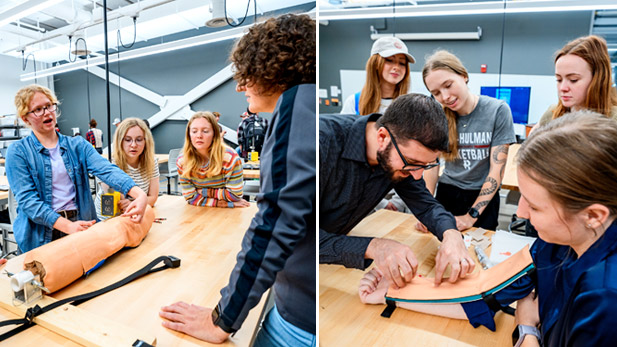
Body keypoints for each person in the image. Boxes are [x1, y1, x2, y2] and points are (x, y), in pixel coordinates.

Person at [359, 111, 617, 346]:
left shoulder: (605, 299)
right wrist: (393, 293)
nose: (520, 213)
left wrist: (527, 330)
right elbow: (485, 293)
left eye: (535, 207)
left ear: (593, 215)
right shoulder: (559, 240)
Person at [159, 13, 316, 346]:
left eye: (248, 74)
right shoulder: (307, 105)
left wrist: (223, 318)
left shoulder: (295, 108)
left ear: (273, 69)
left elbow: (273, 223)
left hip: (301, 321)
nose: (241, 86)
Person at [320, 93, 475, 289]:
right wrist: (374, 246)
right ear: (382, 137)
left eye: (425, 165)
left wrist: (451, 233)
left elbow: (426, 206)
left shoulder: (399, 157)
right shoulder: (320, 143)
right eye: (413, 163)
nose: (417, 176)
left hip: (334, 261)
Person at [6, 85, 148, 253]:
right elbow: (28, 201)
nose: (47, 112)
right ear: (25, 119)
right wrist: (67, 226)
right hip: (42, 235)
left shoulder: (77, 145)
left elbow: (107, 169)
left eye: (49, 105)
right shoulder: (18, 152)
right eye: (37, 109)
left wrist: (139, 194)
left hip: (81, 223)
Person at [417, 50, 516, 231]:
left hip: (482, 198)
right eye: (436, 93)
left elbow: (496, 171)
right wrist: (427, 209)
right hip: (448, 193)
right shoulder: (437, 116)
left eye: (448, 85)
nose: (445, 97)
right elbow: (432, 166)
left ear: (464, 76)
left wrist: (472, 216)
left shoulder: (497, 110)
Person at [537, 35, 617, 127]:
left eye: (573, 80)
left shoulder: (613, 120)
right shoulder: (551, 115)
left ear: (597, 80)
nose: (563, 88)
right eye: (559, 80)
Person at [176, 111, 248, 208]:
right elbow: (190, 197)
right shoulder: (183, 161)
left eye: (205, 131)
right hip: (198, 212)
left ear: (214, 134)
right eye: (194, 131)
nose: (199, 136)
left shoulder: (229, 157)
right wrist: (223, 203)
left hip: (228, 215)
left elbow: (235, 195)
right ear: (189, 135)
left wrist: (202, 192)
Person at [94, 118, 160, 221]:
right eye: (128, 140)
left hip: (134, 216)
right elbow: (114, 197)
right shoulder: (109, 165)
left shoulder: (152, 163)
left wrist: (133, 204)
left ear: (146, 141)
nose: (133, 145)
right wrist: (136, 203)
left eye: (139, 139)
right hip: (107, 221)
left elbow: (153, 197)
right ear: (120, 141)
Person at [340, 36, 414, 115]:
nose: (397, 67)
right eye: (389, 60)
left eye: (402, 63)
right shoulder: (354, 103)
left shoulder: (411, 105)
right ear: (375, 63)